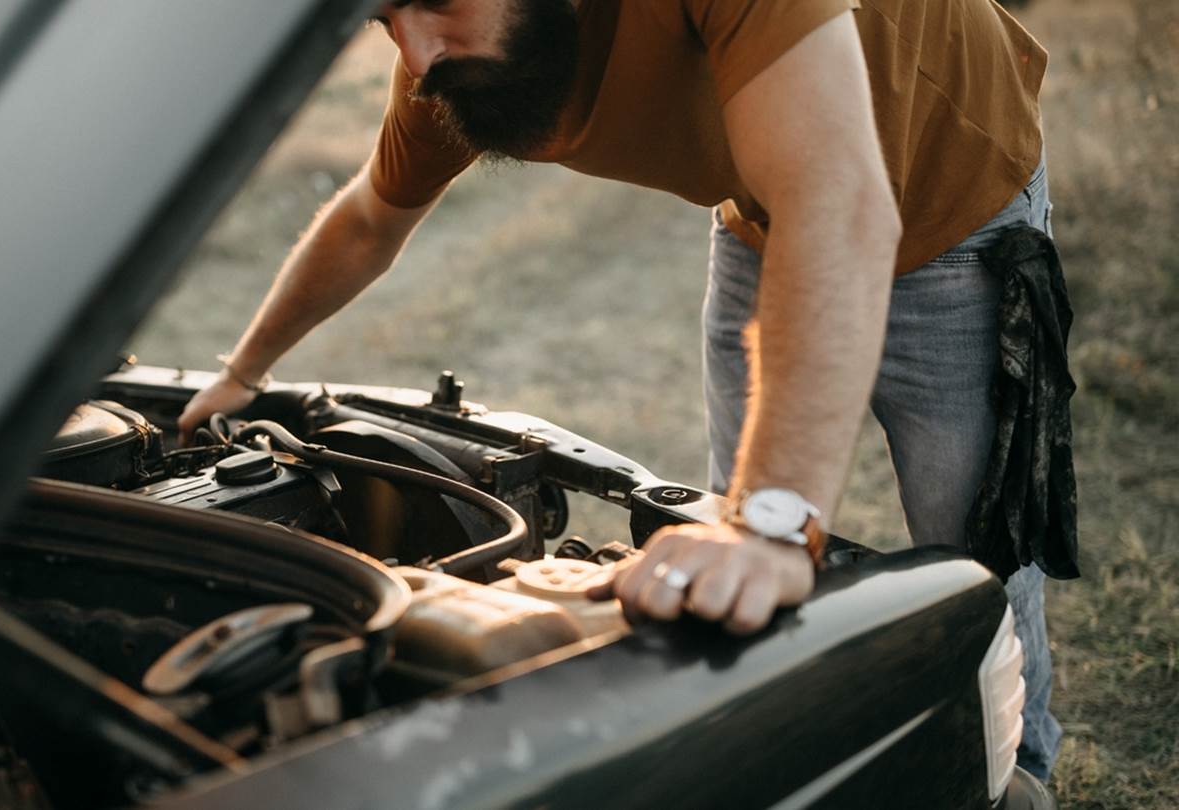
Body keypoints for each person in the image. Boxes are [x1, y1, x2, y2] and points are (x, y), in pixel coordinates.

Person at [177, 0, 1060, 779]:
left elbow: (839, 203)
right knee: (735, 549)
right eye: (383, 22)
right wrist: (241, 373)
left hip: (957, 210)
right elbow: (372, 217)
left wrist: (772, 522)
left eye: (432, 2)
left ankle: (1015, 768)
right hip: (763, 218)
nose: (415, 55)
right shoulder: (453, 64)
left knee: (976, 550)